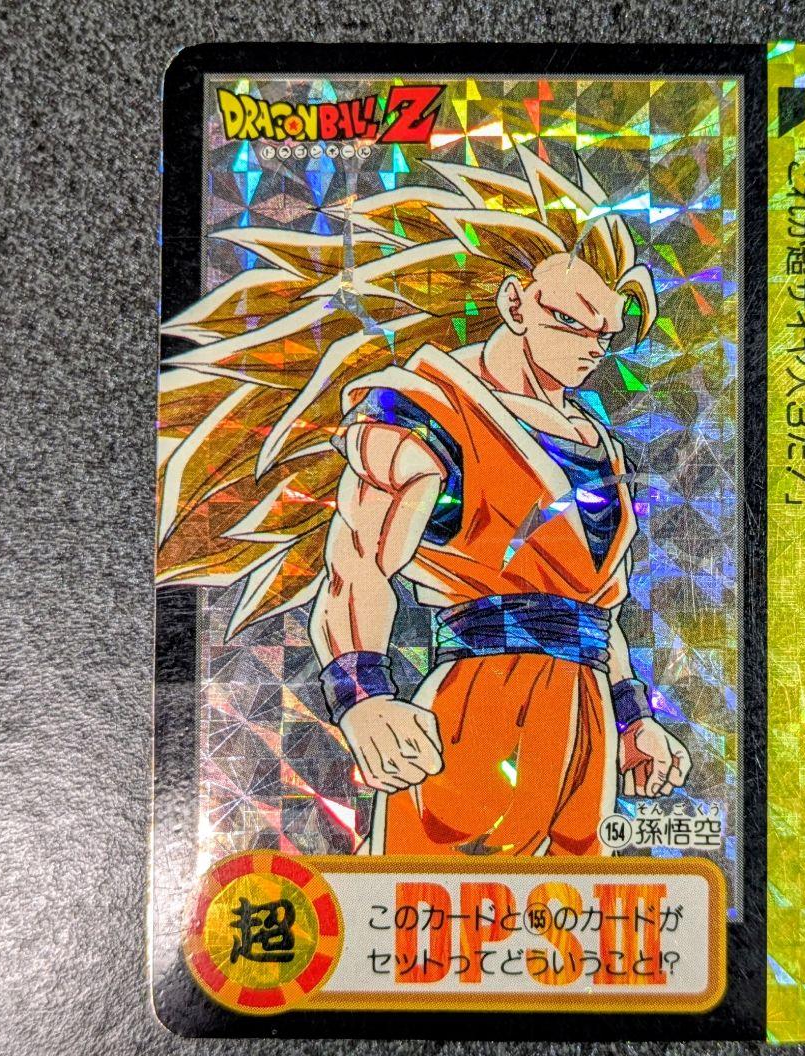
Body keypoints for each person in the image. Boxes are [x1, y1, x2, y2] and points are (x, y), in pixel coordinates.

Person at [158, 146, 690, 857]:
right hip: (479, 715)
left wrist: (633, 719)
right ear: (514, 303)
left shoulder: (599, 443)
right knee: (436, 899)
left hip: (585, 731)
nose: (592, 348)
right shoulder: (427, 413)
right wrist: (365, 697)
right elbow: (357, 564)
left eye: (604, 334)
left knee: (564, 917)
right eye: (570, 321)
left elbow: (597, 614)